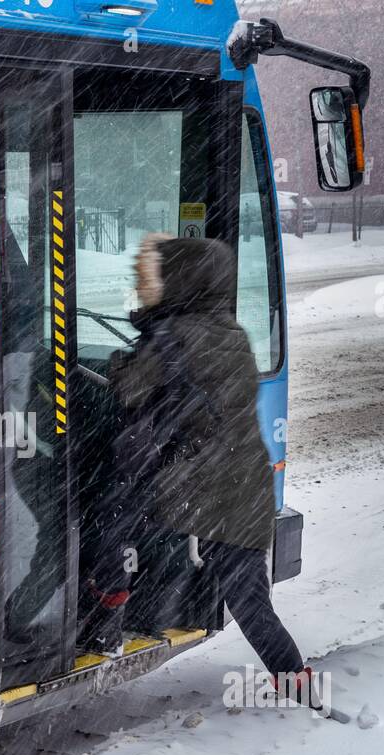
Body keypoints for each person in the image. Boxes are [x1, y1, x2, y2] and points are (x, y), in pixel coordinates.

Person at [110, 233, 317, 705]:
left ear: (178, 282)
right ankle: (295, 680)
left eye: (152, 278)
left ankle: (108, 619)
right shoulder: (227, 330)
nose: (144, 288)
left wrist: (125, 357)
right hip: (240, 485)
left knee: (112, 524)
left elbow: (130, 390)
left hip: (208, 492)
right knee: (249, 597)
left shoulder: (176, 336)